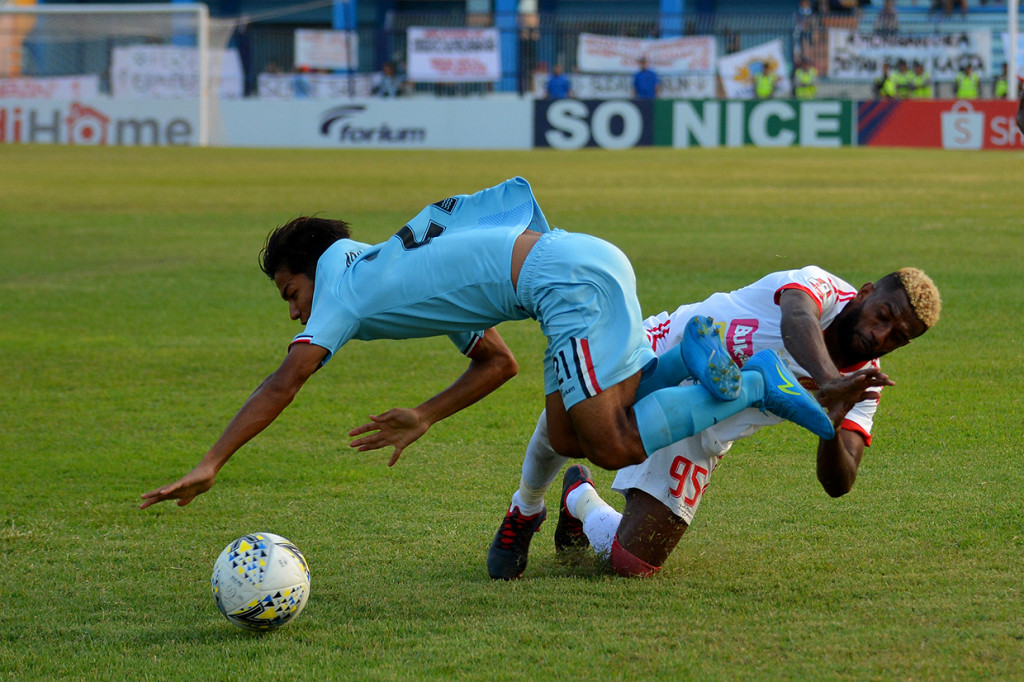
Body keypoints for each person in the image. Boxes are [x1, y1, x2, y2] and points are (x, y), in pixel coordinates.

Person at [140, 178, 834, 511]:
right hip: (575, 270)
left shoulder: (342, 287)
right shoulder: (392, 271)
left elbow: (284, 382)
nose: (294, 312)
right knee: (567, 432)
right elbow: (497, 361)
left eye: (289, 293)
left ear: (311, 269)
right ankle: (691, 357)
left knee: (614, 445)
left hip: (566, 284)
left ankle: (754, 381)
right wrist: (426, 414)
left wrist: (211, 462)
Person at [487, 266, 941, 579]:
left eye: (899, 338)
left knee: (633, 564)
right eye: (883, 317)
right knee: (575, 419)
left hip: (706, 426)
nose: (881, 336)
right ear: (864, 293)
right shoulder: (818, 286)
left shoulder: (864, 385)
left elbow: (840, 482)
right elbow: (796, 321)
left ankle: (580, 501)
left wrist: (829, 420)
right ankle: (526, 507)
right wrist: (826, 381)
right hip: (663, 349)